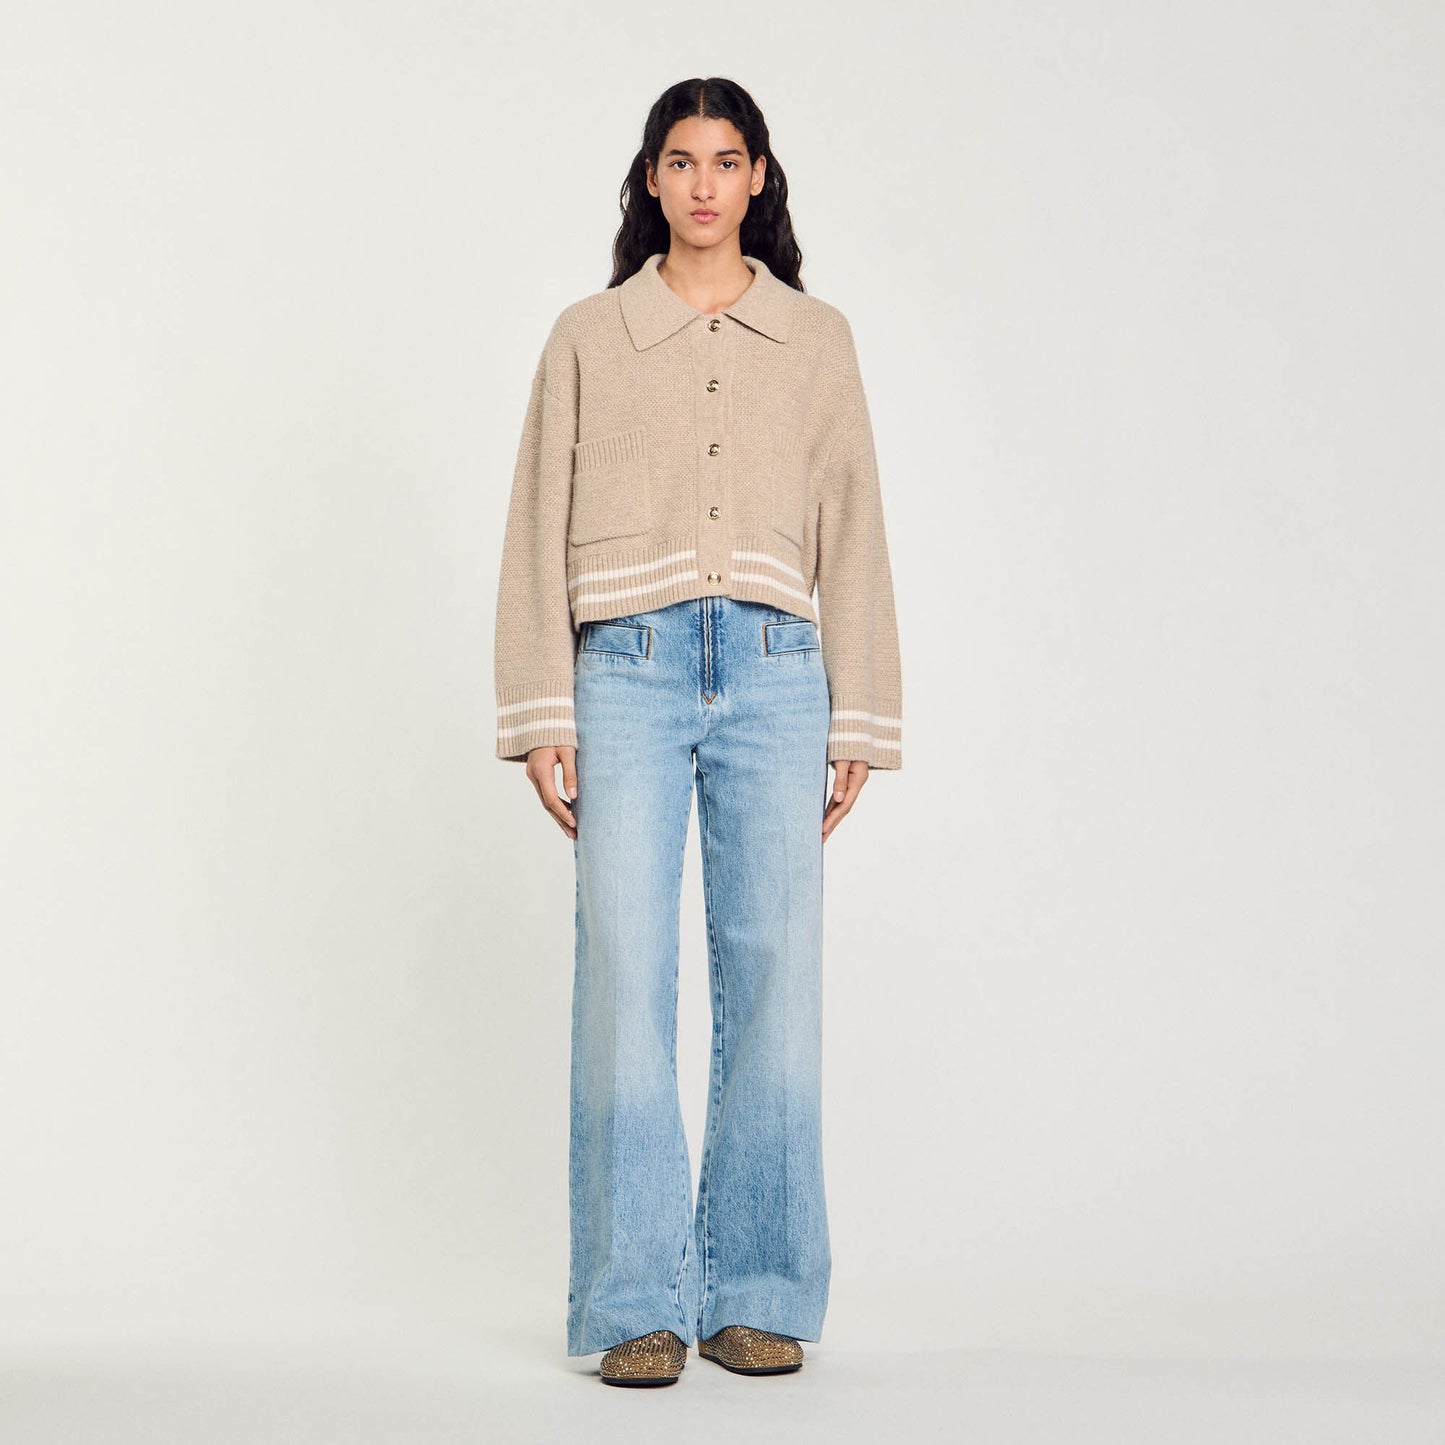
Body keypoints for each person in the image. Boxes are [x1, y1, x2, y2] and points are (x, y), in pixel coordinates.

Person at [493, 76, 903, 1387]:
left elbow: (853, 517)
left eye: (727, 160)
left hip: (779, 674)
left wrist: (860, 711)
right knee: (623, 972)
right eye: (681, 161)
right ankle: (634, 1302)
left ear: (759, 176)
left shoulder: (816, 339)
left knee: (775, 975)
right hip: (626, 670)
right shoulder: (589, 335)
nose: (705, 184)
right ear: (651, 180)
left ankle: (757, 1290)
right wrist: (540, 707)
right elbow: (534, 519)